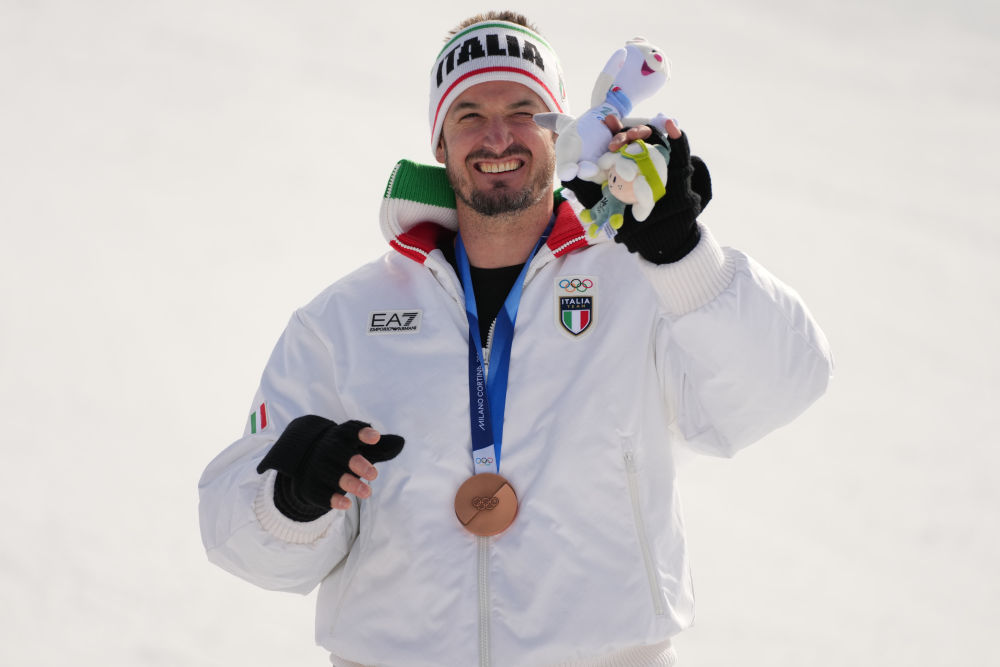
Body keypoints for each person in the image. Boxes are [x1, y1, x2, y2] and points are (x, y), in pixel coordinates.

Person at [198, 11, 832, 667]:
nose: (496, 135)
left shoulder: (642, 284)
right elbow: (235, 538)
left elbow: (783, 385)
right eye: (469, 113)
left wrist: (685, 257)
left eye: (523, 110)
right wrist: (291, 499)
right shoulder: (345, 321)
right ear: (439, 142)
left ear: (562, 129)